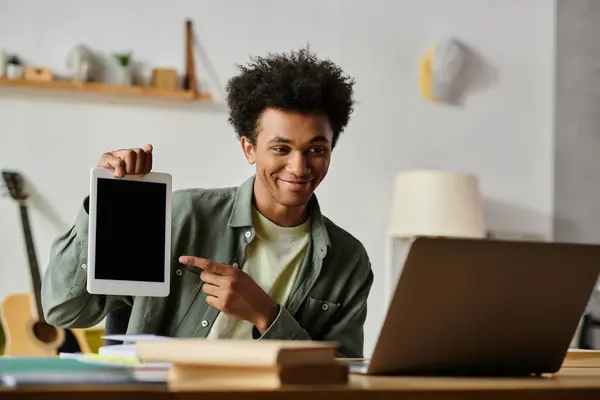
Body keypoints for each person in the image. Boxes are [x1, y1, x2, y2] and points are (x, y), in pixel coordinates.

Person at [41, 47, 374, 358]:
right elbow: (64, 309)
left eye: (316, 150)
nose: (299, 168)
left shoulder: (348, 260)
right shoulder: (180, 216)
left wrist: (265, 314)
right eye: (281, 149)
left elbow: (338, 376)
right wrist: (107, 204)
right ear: (248, 149)